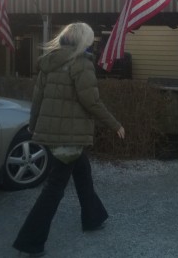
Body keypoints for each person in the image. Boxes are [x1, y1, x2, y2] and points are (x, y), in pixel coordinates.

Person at [13, 22, 125, 257]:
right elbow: (91, 101)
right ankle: (29, 241)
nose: (92, 43)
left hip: (55, 134)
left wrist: (34, 126)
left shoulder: (49, 63)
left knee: (82, 173)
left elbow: (38, 98)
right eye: (91, 39)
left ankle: (93, 218)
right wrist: (115, 124)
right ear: (83, 41)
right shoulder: (81, 64)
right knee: (54, 188)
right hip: (70, 135)